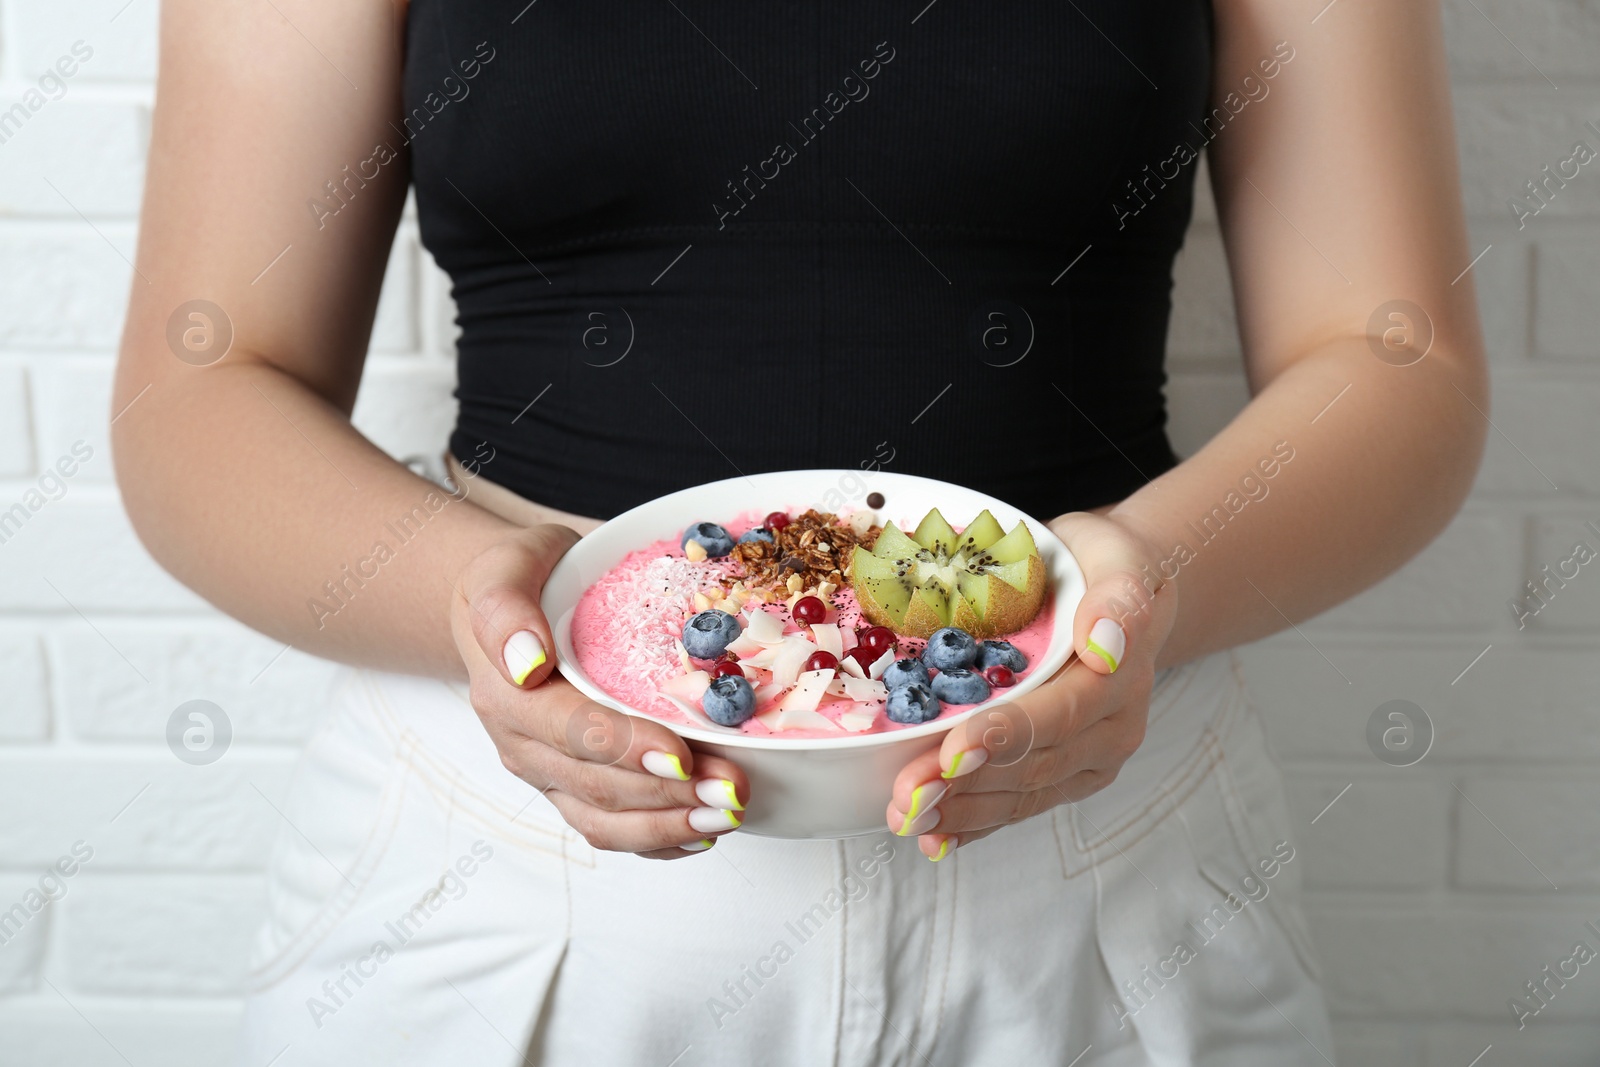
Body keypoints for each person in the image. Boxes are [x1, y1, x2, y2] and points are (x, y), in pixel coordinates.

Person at [112, 0, 1486, 1063]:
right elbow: (204, 387)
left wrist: (1155, 582)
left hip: (1097, 825)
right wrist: (475, 599)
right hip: (515, 838)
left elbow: (1393, 357)